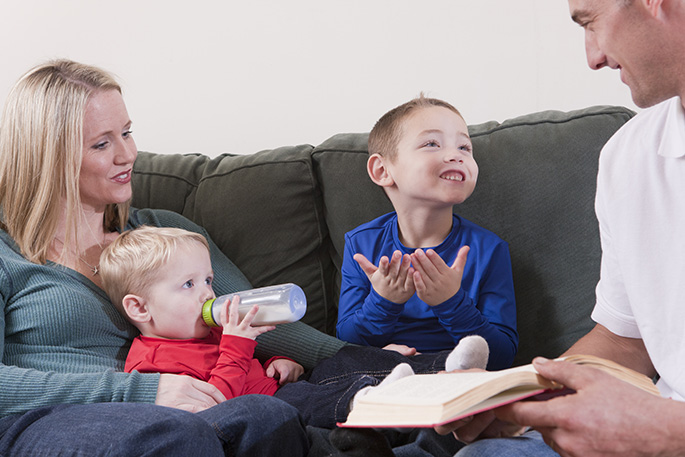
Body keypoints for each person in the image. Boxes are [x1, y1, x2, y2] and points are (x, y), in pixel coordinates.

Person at [0, 58, 350, 456]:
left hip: (179, 408)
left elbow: (251, 314)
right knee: (180, 436)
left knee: (269, 413)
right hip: (47, 419)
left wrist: (363, 360)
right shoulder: (5, 254)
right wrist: (146, 389)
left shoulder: (164, 236)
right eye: (102, 143)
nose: (127, 154)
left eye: (127, 134)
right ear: (46, 156)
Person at [442, 1, 685, 456]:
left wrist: (667, 432)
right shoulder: (627, 157)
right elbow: (625, 340)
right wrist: (523, 395)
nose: (592, 57)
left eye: (590, 21)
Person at [99, 225, 491, 430]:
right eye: (188, 285)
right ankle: (381, 396)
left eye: (207, 280)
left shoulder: (211, 330)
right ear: (140, 307)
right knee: (304, 402)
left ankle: (447, 367)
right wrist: (237, 345)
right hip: (264, 412)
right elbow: (217, 402)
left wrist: (284, 362)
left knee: (339, 365)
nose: (207, 295)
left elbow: (253, 367)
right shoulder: (150, 365)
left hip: (286, 389)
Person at [336, 95, 518, 370]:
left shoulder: (489, 249)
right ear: (383, 170)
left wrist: (451, 302)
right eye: (432, 143)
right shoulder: (361, 243)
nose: (456, 154)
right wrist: (384, 301)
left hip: (450, 369)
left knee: (461, 371)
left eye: (464, 147)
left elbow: (503, 355)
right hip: (381, 367)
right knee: (325, 373)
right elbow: (346, 342)